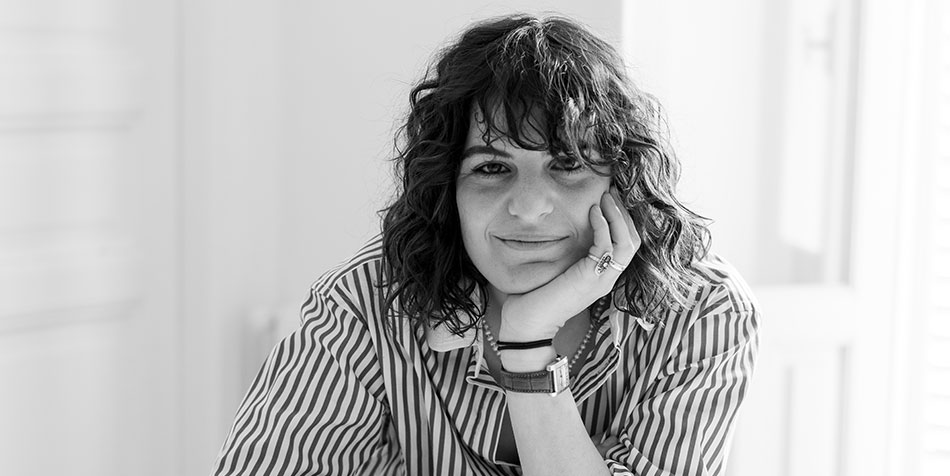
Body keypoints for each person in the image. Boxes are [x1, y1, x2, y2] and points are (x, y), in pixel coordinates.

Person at [211, 13, 760, 476]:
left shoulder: (702, 311)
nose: (528, 207)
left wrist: (527, 344)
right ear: (447, 189)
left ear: (623, 181)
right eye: (492, 168)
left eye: (567, 164)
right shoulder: (365, 303)